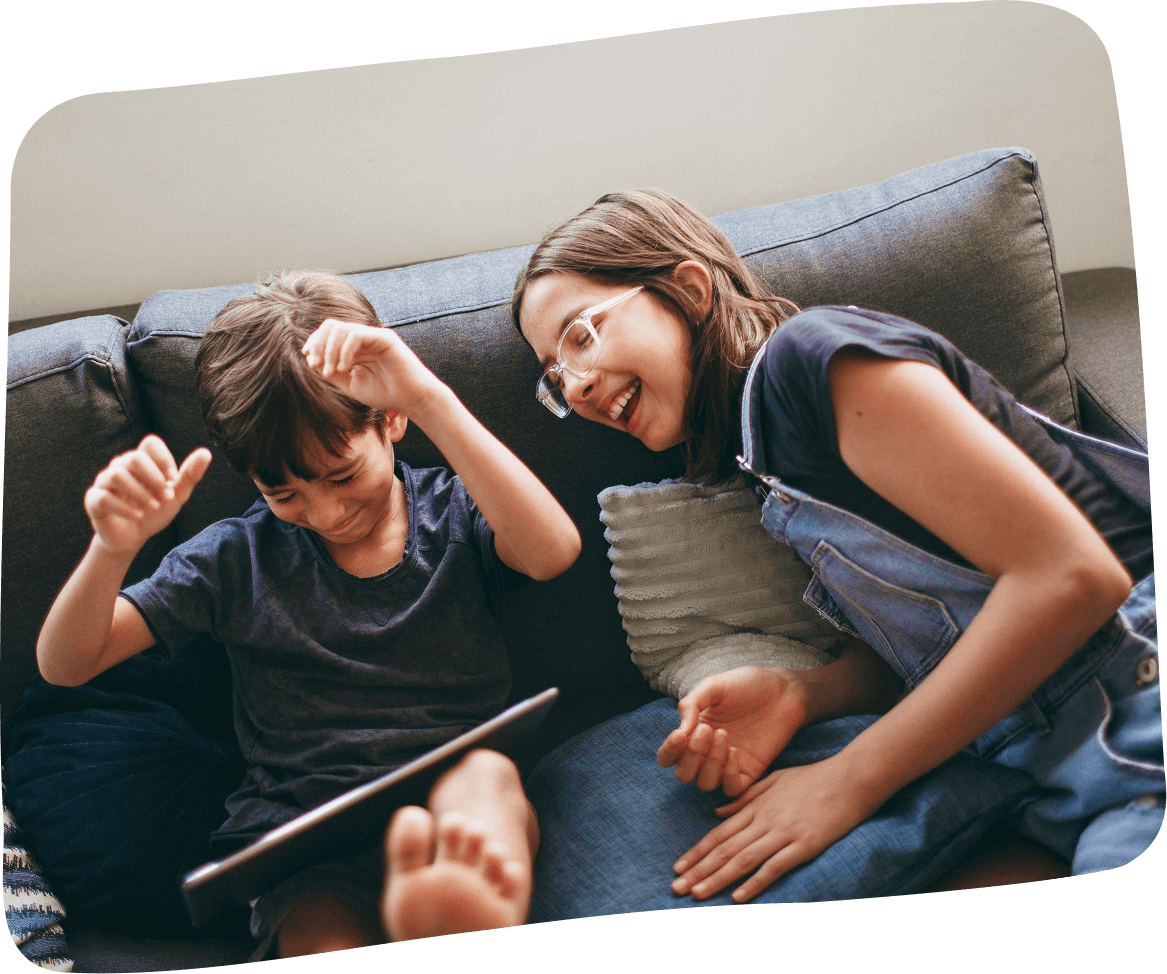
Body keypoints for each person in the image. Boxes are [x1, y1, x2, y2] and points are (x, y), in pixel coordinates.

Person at [512, 189, 1160, 910]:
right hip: (1046, 769)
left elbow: (1071, 577)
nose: (576, 387)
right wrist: (802, 694)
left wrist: (848, 781)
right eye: (554, 377)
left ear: (690, 289)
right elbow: (940, 642)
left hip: (1132, 696)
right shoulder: (760, 458)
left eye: (580, 336)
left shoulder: (810, 362)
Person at [35, 271, 581, 956]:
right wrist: (112, 549)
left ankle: (457, 904)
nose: (325, 512)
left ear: (389, 420)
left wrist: (427, 396)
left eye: (342, 474)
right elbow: (67, 664)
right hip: (304, 836)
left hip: (450, 794)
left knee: (488, 780)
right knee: (317, 926)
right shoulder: (233, 560)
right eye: (283, 492)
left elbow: (552, 553)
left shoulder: (453, 510)